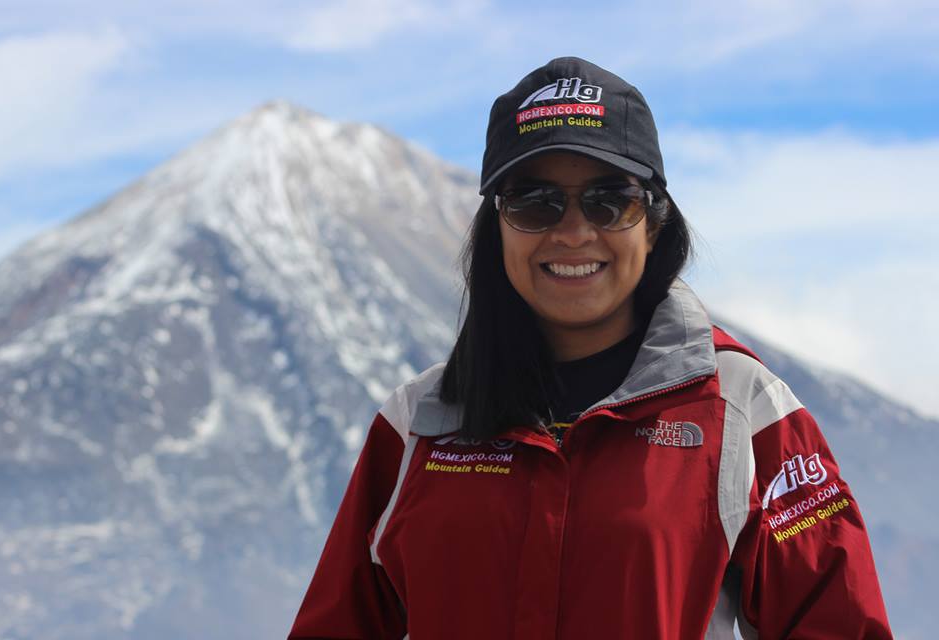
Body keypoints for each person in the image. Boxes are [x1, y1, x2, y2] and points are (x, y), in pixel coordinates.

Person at [287, 57, 892, 639]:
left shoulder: (743, 411)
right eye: (534, 202)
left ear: (653, 222)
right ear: (495, 226)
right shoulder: (420, 422)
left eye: (609, 201)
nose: (574, 232)